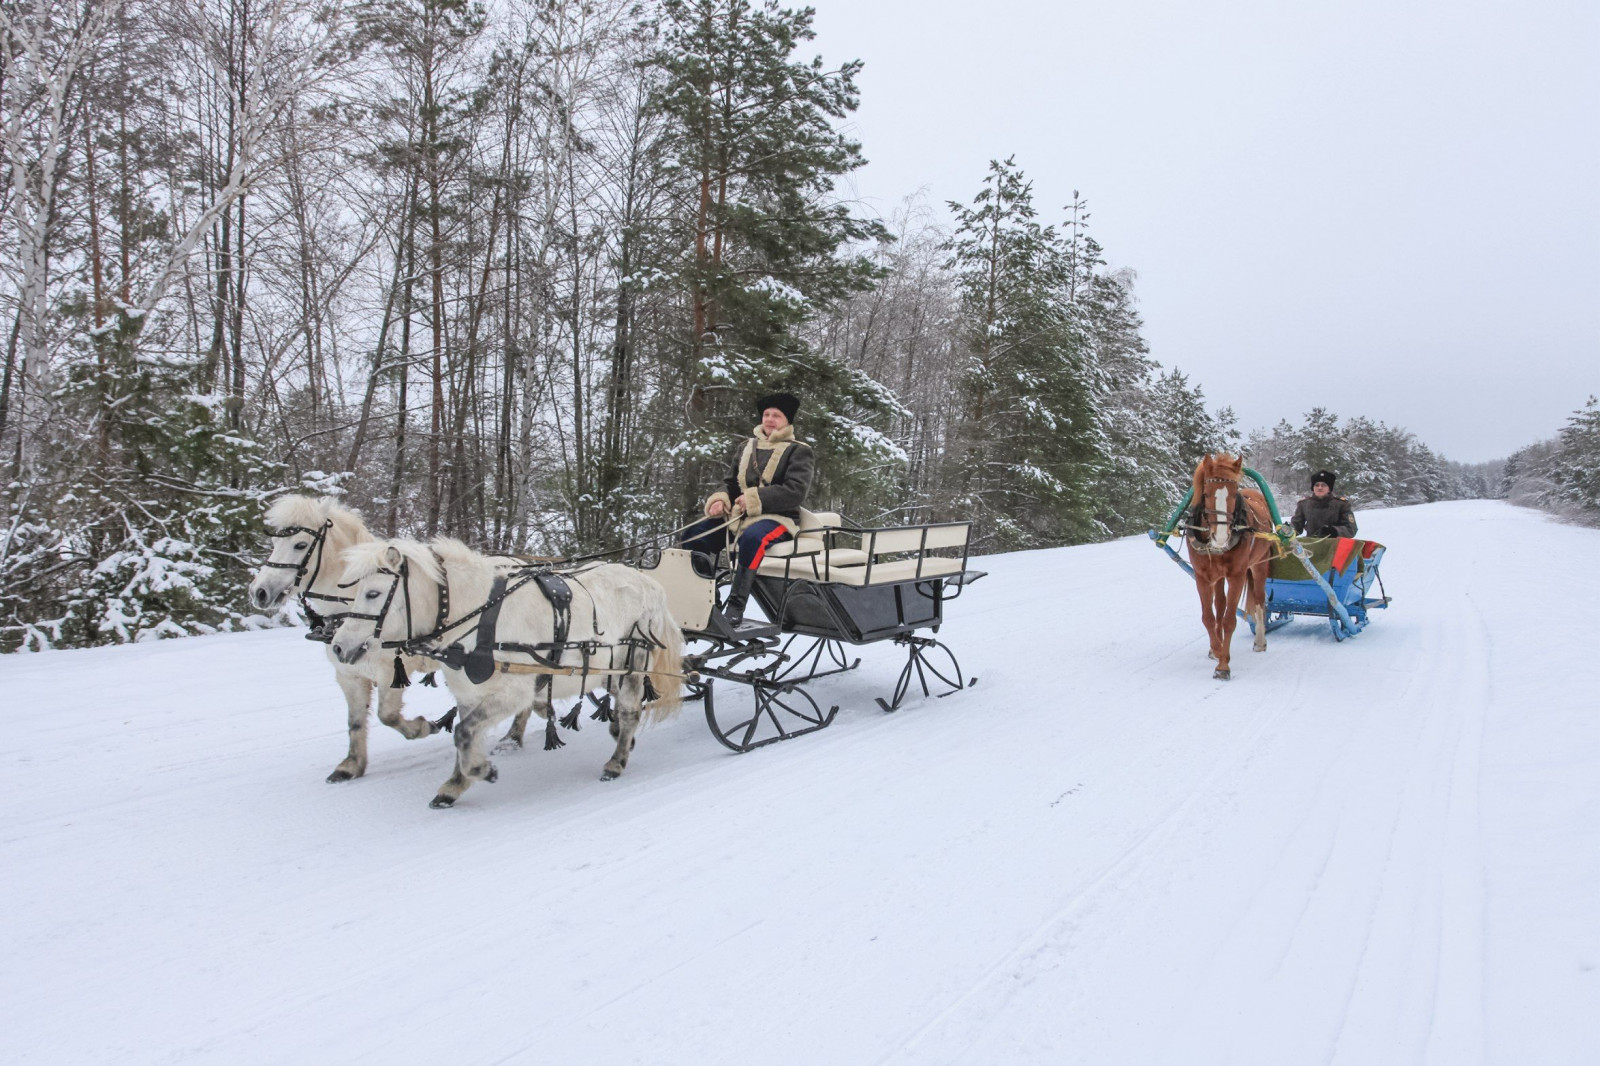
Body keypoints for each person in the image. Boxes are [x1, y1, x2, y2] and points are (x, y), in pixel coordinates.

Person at [681, 392, 815, 630]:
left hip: (778, 518)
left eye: (777, 415)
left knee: (752, 538)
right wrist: (720, 499)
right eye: (766, 414)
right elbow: (731, 484)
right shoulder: (746, 446)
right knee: (693, 535)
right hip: (738, 516)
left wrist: (754, 498)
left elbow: (795, 491)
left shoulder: (798, 451)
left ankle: (735, 606)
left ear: (787, 420)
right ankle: (709, 600)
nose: (770, 419)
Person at [1291, 470, 1358, 538]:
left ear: (1329, 488)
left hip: (1335, 545)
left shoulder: (1342, 505)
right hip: (1311, 544)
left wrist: (1334, 531)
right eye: (1317, 485)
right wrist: (1287, 530)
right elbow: (1296, 526)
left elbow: (1351, 529)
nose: (1320, 487)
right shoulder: (1304, 504)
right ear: (1313, 488)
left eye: (1323, 485)